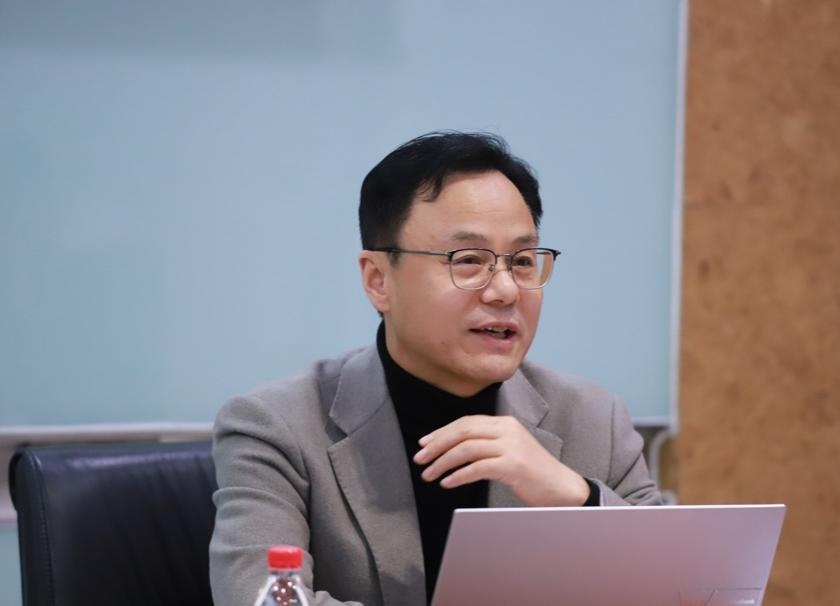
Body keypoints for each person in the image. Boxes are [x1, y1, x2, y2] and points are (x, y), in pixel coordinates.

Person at [209, 132, 661, 606]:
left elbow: (679, 586)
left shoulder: (593, 419)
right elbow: (260, 599)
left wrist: (578, 497)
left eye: (523, 261)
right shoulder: (276, 426)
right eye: (468, 261)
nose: (506, 290)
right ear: (378, 280)